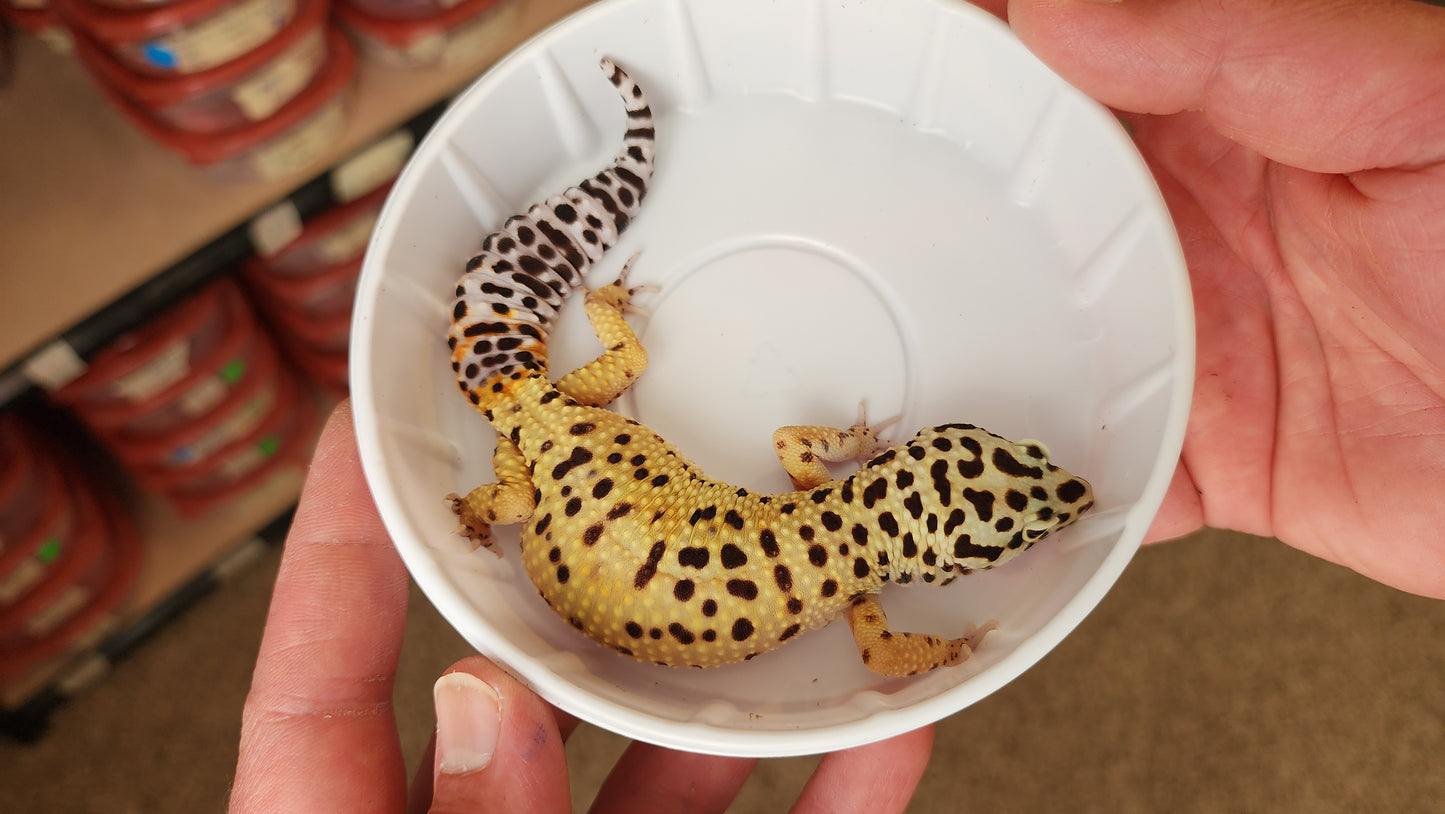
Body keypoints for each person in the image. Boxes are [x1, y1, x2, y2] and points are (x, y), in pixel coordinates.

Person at [230, 0, 1445, 810]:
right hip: (543, 478)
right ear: (913, 500)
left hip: (560, 452)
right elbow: (872, 598)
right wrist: (951, 641)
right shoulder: (857, 593)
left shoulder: (839, 540)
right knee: (546, 438)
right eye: (1015, 495)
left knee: (584, 389)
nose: (1050, 492)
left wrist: (616, 359)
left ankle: (602, 289)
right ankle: (583, 310)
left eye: (1010, 495)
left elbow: (806, 457)